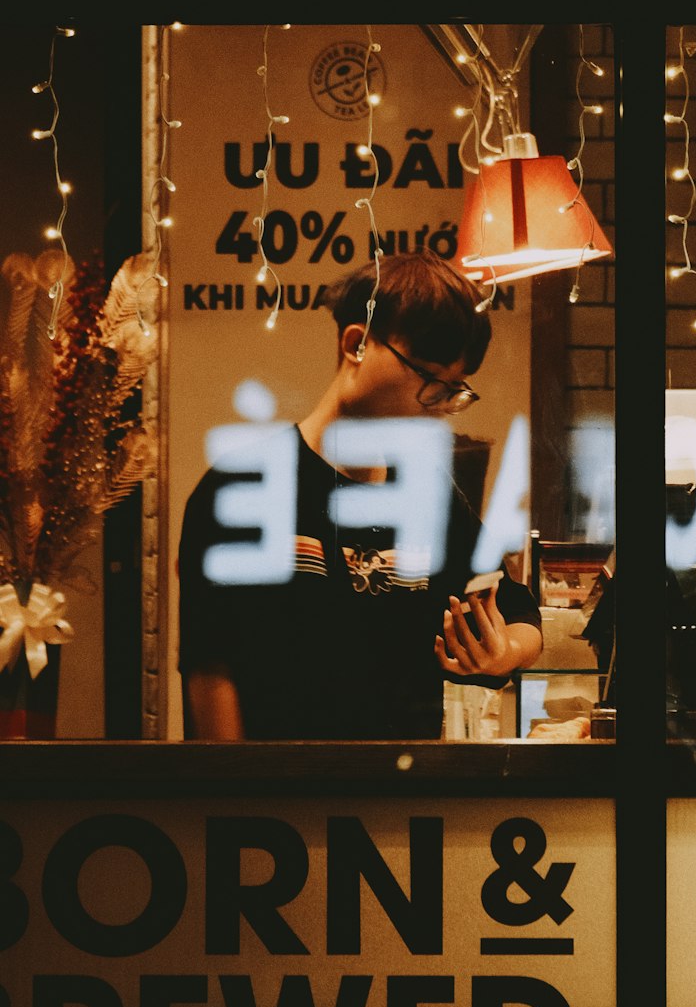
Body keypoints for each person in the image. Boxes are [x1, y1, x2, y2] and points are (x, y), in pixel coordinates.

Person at [178, 249, 543, 740]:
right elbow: (210, 671)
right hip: (280, 801)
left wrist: (505, 652)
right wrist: (240, 802)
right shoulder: (241, 487)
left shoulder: (426, 494)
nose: (441, 409)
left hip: (403, 805)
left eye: (455, 390)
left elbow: (520, 613)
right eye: (432, 382)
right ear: (356, 344)